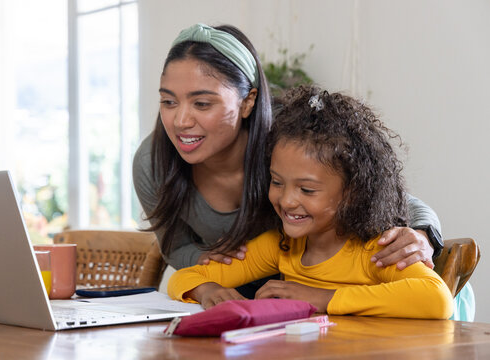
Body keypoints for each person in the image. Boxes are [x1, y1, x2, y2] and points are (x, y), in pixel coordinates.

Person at [132, 23, 439, 286]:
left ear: (248, 101)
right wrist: (206, 273)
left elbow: (388, 198)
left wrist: (422, 236)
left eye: (201, 104)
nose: (180, 121)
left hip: (320, 302)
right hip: (247, 306)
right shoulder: (152, 162)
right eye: (169, 102)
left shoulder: (288, 139)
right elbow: (176, 248)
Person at [167, 85, 454, 319]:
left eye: (307, 190)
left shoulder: (375, 251)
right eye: (277, 182)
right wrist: (206, 290)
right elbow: (184, 277)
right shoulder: (280, 246)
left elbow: (437, 299)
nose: (287, 200)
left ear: (352, 192)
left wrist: (324, 299)